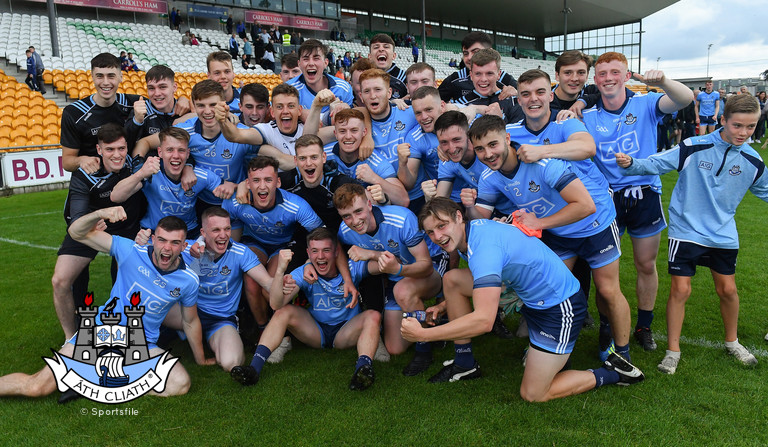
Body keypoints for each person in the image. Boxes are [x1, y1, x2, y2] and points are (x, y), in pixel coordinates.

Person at [405, 198, 644, 399]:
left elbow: (484, 321)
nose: (437, 236)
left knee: (534, 393)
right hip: (528, 295)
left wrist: (423, 335)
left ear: (458, 217)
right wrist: (446, 304)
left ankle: (614, 372)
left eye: (442, 225)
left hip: (559, 308)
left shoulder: (483, 248)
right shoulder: (473, 230)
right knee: (453, 280)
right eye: (430, 232)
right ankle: (464, 363)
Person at [615, 93, 767, 374]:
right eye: (737, 126)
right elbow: (659, 162)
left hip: (723, 234)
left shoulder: (753, 160)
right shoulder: (694, 146)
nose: (744, 133)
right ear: (723, 120)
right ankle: (673, 351)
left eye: (750, 127)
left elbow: (765, 189)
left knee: (728, 289)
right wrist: (632, 164)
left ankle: (732, 342)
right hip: (686, 230)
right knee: (681, 290)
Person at [0, 208, 214, 400]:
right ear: (153, 239)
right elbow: (77, 233)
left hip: (140, 344)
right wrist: (99, 213)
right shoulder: (130, 251)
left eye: (175, 242)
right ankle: (94, 374)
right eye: (162, 240)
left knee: (180, 384)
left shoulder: (188, 279)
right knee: (37, 387)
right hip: (100, 332)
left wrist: (201, 359)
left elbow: (190, 320)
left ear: (183, 245)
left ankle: (90, 381)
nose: (167, 248)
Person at [580, 52, 694, 352]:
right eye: (602, 73)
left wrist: (664, 80)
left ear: (626, 75)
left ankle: (644, 325)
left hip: (644, 194)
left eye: (615, 72)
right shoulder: (588, 115)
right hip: (607, 200)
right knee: (604, 270)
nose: (608, 78)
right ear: (595, 79)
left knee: (646, 264)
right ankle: (608, 326)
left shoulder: (644, 102)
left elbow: (684, 99)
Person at [231, 228, 382, 390]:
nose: (321, 256)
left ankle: (363, 370)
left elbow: (386, 266)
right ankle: (254, 368)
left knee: (373, 315)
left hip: (346, 331)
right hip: (316, 331)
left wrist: (371, 254)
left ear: (336, 252)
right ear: (308, 253)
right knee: (283, 312)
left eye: (326, 250)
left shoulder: (352, 268)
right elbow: (276, 304)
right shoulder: (304, 272)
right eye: (315, 251)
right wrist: (281, 270)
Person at [334, 183, 446, 376]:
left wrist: (376, 256)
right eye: (346, 216)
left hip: (431, 270)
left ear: (369, 204)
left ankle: (424, 349)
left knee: (403, 291)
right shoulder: (345, 231)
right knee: (395, 347)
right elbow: (337, 251)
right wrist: (348, 280)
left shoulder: (401, 219)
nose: (354, 220)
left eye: (358, 211)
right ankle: (441, 325)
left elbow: (425, 265)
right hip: (398, 277)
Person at [51, 124, 144, 341]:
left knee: (127, 281)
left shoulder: (135, 163)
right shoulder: (84, 174)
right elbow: (77, 224)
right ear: (99, 150)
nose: (117, 154)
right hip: (91, 228)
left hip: (128, 230)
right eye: (109, 149)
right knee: (60, 281)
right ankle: (70, 338)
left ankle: (128, 331)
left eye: (121, 148)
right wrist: (98, 216)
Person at [221, 156, 334, 331]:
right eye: (256, 180)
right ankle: (262, 327)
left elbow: (321, 233)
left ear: (278, 182)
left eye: (268, 180)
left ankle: (279, 327)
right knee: (251, 281)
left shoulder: (295, 205)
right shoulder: (236, 202)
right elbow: (225, 229)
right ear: (248, 183)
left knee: (273, 287)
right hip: (254, 243)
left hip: (282, 246)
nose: (262, 186)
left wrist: (309, 261)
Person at [179, 206, 274, 371]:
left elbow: (267, 282)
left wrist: (285, 277)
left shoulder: (240, 252)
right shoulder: (188, 250)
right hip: (186, 312)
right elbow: (155, 253)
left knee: (232, 363)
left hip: (220, 319)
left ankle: (211, 340)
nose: (223, 235)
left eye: (227, 229)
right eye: (216, 230)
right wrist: (143, 239)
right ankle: (140, 341)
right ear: (203, 232)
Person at [111, 127, 233, 239]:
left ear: (188, 153)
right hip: (153, 232)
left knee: (204, 260)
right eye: (169, 150)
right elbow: (116, 196)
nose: (176, 156)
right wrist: (140, 173)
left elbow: (228, 189)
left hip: (189, 233)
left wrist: (240, 186)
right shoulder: (151, 172)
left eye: (181, 150)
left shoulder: (199, 176)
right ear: (160, 152)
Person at [438, 31, 517, 103]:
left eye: (475, 52)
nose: (469, 57)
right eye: (466, 53)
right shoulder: (455, 79)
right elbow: (436, 105)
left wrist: (517, 93)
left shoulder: (505, 79)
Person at [453, 49, 523, 124]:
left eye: (489, 73)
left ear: (499, 75)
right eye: (478, 74)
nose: (483, 79)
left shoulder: (514, 101)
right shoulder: (461, 104)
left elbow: (523, 134)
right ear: (471, 75)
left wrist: (501, 119)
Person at [124, 65, 185, 150]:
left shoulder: (185, 110)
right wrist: (136, 122)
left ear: (174, 87)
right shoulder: (141, 111)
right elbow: (125, 148)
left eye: (162, 87)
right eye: (151, 88)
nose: (157, 93)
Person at [287, 39, 354, 112]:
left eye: (316, 58)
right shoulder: (289, 90)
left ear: (325, 63)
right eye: (306, 59)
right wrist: (301, 114)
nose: (311, 63)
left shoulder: (343, 88)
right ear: (299, 64)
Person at [367, 34, 408, 99]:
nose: (381, 49)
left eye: (386, 47)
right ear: (370, 56)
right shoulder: (363, 77)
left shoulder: (404, 77)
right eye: (376, 47)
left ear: (394, 56)